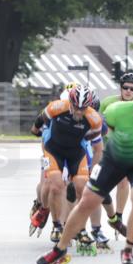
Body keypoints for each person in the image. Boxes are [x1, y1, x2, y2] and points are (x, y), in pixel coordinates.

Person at [27, 81, 133, 264]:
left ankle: (128, 248)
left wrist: (89, 166)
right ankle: (59, 248)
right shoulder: (115, 111)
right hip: (114, 160)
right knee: (86, 200)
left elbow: (95, 142)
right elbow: (97, 136)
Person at [29, 86, 103, 243]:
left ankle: (80, 229)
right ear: (70, 102)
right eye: (76, 107)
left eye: (83, 108)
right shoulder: (57, 107)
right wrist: (35, 130)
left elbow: (95, 140)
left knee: (83, 189)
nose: (79, 112)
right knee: (55, 186)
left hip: (76, 152)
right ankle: (56, 225)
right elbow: (41, 119)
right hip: (53, 150)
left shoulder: (94, 118)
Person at [99, 71, 133, 230]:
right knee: (100, 184)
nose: (128, 91)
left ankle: (119, 216)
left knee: (123, 181)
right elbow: (98, 123)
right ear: (121, 88)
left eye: (132, 88)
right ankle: (102, 220)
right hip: (107, 146)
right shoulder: (108, 102)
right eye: (125, 88)